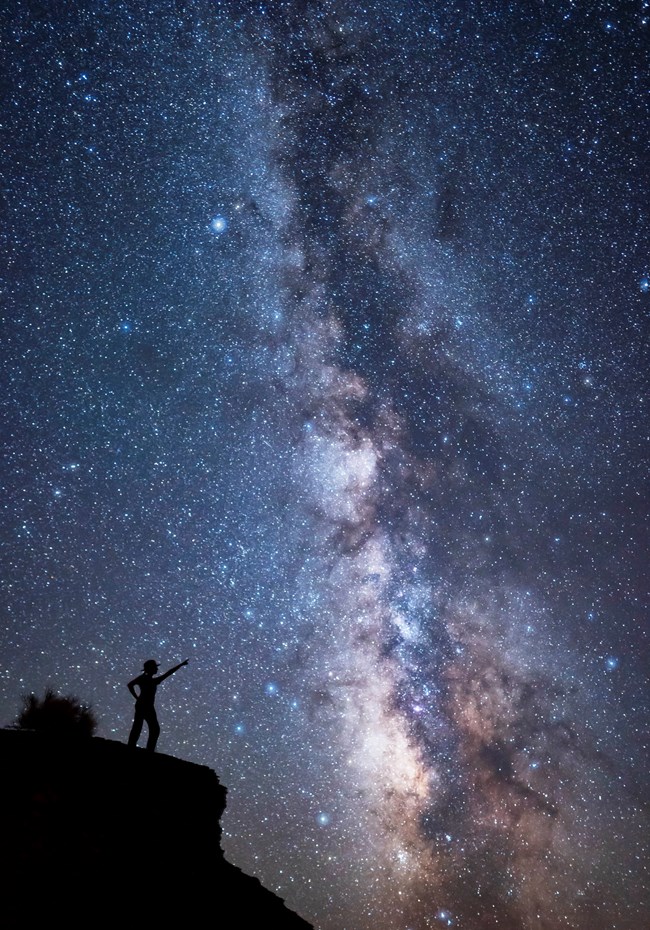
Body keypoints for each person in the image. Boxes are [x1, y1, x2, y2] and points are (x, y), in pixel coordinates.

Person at [127, 658, 188, 751]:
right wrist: (136, 697)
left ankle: (138, 747)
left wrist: (180, 665)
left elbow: (130, 685)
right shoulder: (146, 679)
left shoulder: (146, 679)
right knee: (148, 728)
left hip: (146, 705)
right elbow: (130, 685)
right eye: (155, 667)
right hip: (145, 705)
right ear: (151, 668)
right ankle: (144, 749)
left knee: (143, 727)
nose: (157, 669)